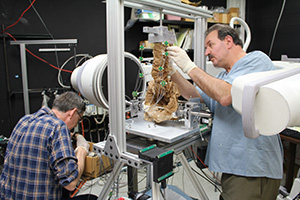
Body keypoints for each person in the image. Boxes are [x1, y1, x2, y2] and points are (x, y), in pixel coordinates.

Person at [167, 24, 283, 200]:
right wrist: (173, 72)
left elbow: (226, 95)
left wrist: (189, 66)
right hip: (235, 168)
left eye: (210, 45)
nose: (206, 52)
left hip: (252, 169)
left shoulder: (256, 60)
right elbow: (195, 95)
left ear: (228, 41)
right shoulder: (223, 77)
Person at [0, 91, 96, 200]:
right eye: (78, 119)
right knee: (92, 197)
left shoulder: (25, 120)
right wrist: (82, 150)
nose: (75, 125)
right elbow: (70, 183)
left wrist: (72, 136)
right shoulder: (58, 127)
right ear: (72, 113)